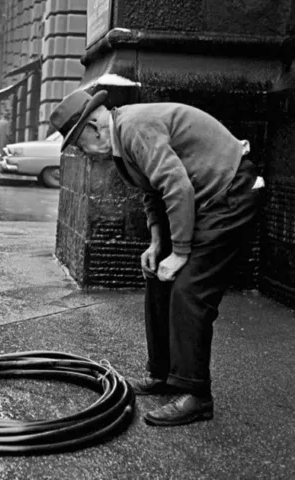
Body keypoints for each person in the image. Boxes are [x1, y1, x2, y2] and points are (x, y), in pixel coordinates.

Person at [50, 88, 262, 427]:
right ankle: (163, 374)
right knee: (157, 275)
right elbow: (152, 191)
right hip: (204, 201)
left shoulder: (134, 127)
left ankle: (196, 396)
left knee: (190, 290)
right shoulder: (121, 140)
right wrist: (157, 243)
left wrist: (179, 253)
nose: (83, 154)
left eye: (78, 144)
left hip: (230, 193)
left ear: (93, 126)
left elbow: (177, 187)